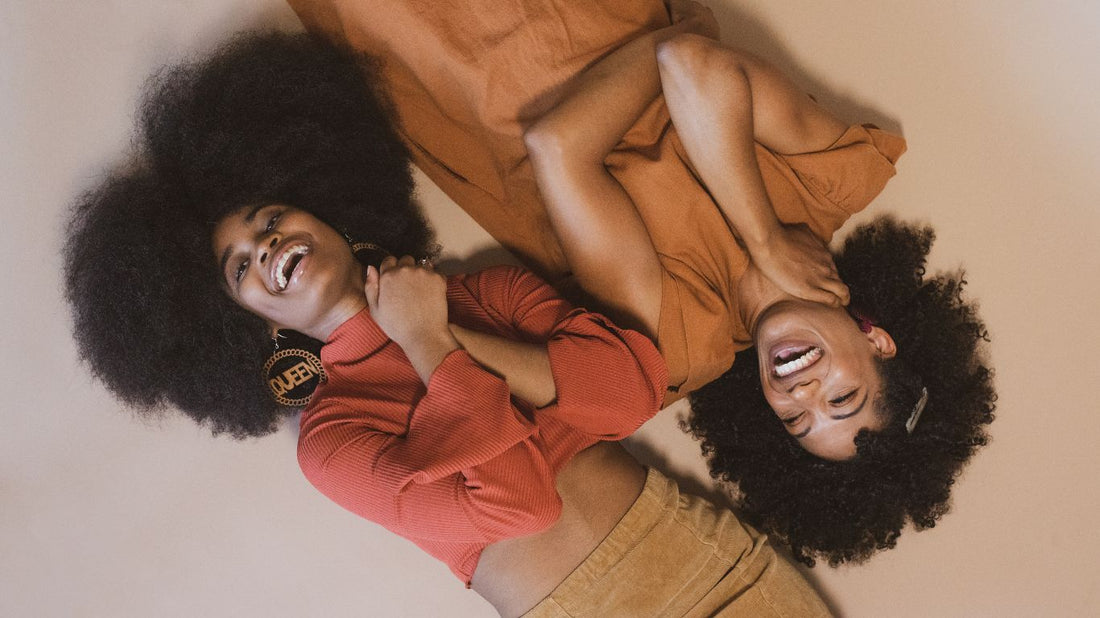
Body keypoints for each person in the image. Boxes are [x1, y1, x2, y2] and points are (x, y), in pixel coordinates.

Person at [64, 32, 832, 617]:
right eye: (239, 268)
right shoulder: (331, 441)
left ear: (324, 207)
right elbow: (519, 504)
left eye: (271, 217)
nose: (264, 246)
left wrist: (442, 328)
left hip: (723, 565)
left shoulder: (483, 294)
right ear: (250, 326)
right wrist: (426, 343)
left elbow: (632, 391)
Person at [286, 0, 995, 566]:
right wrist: (766, 236)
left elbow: (561, 145)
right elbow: (690, 61)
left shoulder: (679, 345)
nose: (801, 393)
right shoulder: (837, 179)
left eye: (795, 420)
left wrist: (762, 235)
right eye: (842, 397)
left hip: (460, 67)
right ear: (878, 342)